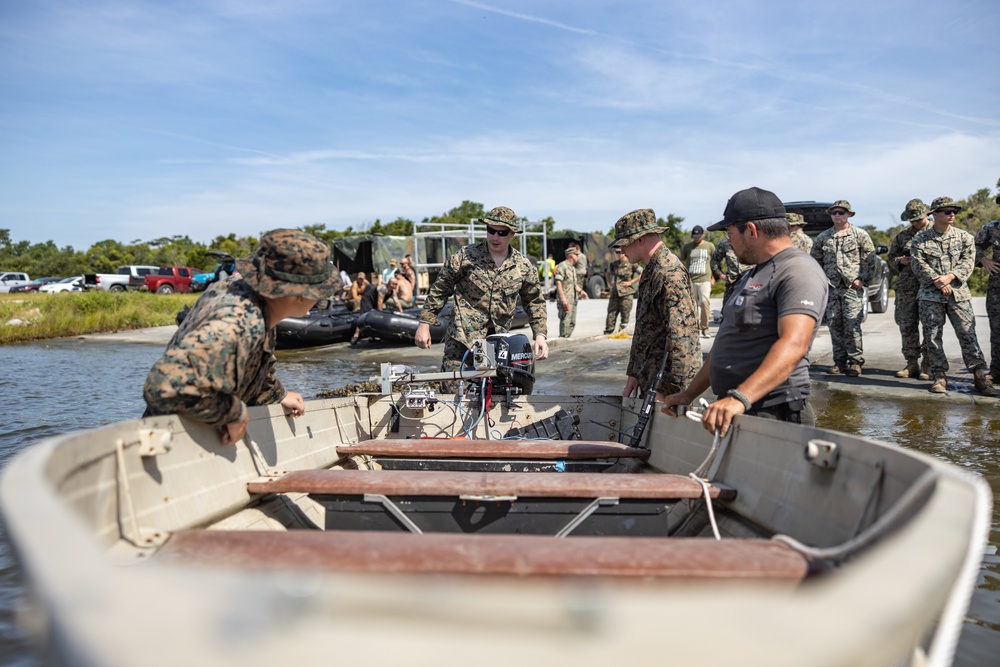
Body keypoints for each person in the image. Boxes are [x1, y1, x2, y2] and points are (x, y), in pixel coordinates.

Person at [142, 229, 338, 445]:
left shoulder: (247, 295)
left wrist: (277, 395)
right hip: (176, 444)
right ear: (299, 293)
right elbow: (166, 385)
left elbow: (250, 361)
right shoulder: (241, 321)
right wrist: (234, 414)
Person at [662, 187, 829, 435]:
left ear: (751, 230)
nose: (728, 243)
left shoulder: (797, 270)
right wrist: (688, 394)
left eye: (730, 234)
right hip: (740, 407)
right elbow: (724, 345)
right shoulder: (754, 272)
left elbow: (795, 344)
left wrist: (740, 398)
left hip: (773, 411)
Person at [414, 206, 549, 391]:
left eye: (501, 233)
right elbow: (440, 288)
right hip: (462, 339)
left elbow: (534, 301)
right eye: (490, 230)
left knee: (493, 394)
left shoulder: (523, 266)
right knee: (452, 394)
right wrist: (424, 324)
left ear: (512, 234)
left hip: (496, 343)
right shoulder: (466, 257)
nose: (494, 237)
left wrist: (540, 335)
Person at [910, 196, 996, 396]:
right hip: (930, 295)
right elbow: (917, 263)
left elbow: (968, 260)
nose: (952, 215)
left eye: (954, 211)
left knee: (968, 335)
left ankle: (979, 377)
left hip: (958, 294)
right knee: (932, 337)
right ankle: (939, 376)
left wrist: (950, 277)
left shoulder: (964, 237)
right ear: (935, 214)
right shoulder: (920, 239)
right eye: (947, 211)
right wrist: (937, 280)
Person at [612, 209, 699, 400]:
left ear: (640, 239)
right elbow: (645, 329)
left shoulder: (668, 274)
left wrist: (667, 392)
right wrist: (634, 372)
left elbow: (683, 341)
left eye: (624, 244)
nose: (622, 251)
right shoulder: (651, 270)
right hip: (651, 379)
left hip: (666, 390)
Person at [810, 199, 877, 377]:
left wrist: (862, 279)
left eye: (841, 212)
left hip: (851, 288)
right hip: (831, 287)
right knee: (834, 324)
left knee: (852, 324)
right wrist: (820, 281)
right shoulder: (823, 237)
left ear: (849, 214)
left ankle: (855, 361)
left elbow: (870, 260)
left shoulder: (860, 235)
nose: (837, 215)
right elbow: (815, 261)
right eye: (834, 213)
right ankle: (839, 362)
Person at [888, 199, 933, 380]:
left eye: (918, 219)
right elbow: (892, 256)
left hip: (929, 287)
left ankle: (928, 365)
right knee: (907, 325)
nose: (915, 223)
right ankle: (911, 363)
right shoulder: (902, 236)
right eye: (912, 220)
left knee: (930, 326)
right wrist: (900, 261)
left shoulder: (935, 232)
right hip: (907, 288)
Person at [974, 196, 1000, 385]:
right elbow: (973, 246)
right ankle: (997, 371)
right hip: (997, 286)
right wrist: (984, 260)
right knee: (997, 329)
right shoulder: (992, 227)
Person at [680, 225, 715, 338]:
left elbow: (714, 263)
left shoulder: (709, 246)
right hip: (691, 280)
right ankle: (694, 329)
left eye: (698, 236)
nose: (696, 238)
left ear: (703, 234)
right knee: (691, 306)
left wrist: (713, 278)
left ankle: (705, 328)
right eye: (694, 236)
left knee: (704, 302)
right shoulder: (687, 247)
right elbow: (681, 262)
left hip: (705, 279)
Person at [710, 237, 754, 315]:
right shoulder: (724, 245)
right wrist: (720, 275)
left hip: (749, 282)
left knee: (749, 311)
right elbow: (714, 261)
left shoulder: (752, 241)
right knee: (727, 312)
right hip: (732, 283)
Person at [604, 247, 641, 334]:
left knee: (625, 314)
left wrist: (631, 282)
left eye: (620, 252)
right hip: (615, 293)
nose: (618, 254)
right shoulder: (614, 264)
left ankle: (622, 333)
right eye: (617, 253)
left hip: (626, 293)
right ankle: (608, 332)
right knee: (611, 313)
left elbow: (642, 273)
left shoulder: (632, 263)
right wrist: (610, 283)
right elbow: (607, 274)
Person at [555, 247, 587, 338]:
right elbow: (558, 282)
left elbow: (574, 284)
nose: (578, 257)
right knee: (565, 321)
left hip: (573, 299)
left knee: (572, 322)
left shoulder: (572, 268)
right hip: (566, 300)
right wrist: (563, 298)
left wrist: (581, 291)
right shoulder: (562, 266)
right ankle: (562, 340)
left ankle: (566, 339)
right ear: (572, 255)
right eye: (576, 255)